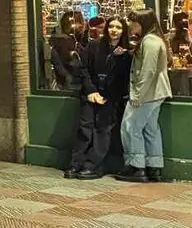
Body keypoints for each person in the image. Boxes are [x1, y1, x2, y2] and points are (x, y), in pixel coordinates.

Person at [67, 16, 131, 179]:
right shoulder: (95, 46)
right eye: (111, 27)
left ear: (123, 30)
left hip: (110, 96)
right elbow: (84, 70)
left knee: (103, 130)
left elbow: (123, 78)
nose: (114, 30)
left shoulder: (126, 51)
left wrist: (120, 58)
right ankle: (75, 164)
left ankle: (92, 165)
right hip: (91, 93)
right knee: (85, 128)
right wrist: (91, 91)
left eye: (118, 27)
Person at [117, 9, 172, 182]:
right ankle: (154, 167)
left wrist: (137, 95)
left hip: (148, 92)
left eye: (133, 22)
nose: (130, 26)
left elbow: (148, 71)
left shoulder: (149, 41)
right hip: (156, 91)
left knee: (130, 126)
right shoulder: (154, 40)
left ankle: (136, 167)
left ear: (143, 23)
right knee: (150, 129)